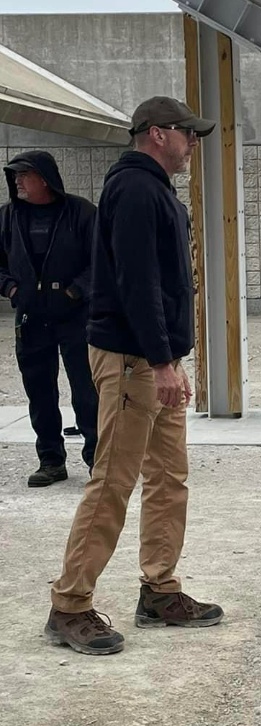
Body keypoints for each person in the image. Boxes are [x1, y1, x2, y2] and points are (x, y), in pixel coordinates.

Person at [45, 96, 223, 656]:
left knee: (170, 477)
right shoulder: (135, 189)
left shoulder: (154, 189)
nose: (194, 143)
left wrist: (171, 357)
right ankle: (69, 605)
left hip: (155, 358)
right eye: (187, 134)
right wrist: (162, 361)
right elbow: (137, 284)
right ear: (156, 133)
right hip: (131, 360)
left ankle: (160, 590)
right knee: (113, 482)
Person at [0, 151, 99, 486]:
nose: (17, 181)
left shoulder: (81, 213)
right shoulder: (7, 218)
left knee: (87, 391)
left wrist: (76, 291)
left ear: (44, 178)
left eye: (23, 175)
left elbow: (102, 260)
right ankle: (51, 460)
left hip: (76, 318)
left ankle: (97, 460)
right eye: (14, 176)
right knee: (39, 392)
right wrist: (12, 288)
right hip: (31, 318)